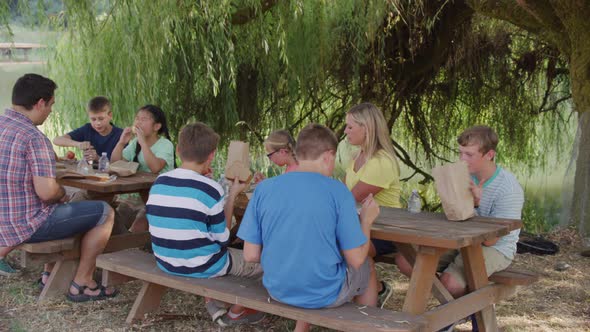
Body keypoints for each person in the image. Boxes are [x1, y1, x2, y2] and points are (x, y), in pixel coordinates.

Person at [238, 123, 380, 332]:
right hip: (325, 293)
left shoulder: (264, 189)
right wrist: (366, 221)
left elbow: (250, 255)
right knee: (367, 263)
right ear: (328, 156)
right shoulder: (338, 191)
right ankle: (365, 327)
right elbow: (356, 259)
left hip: (277, 289)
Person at [0, 73, 117, 301]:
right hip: (26, 224)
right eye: (51, 105)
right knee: (104, 211)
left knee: (79, 208)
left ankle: (49, 273)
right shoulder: (34, 138)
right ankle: (83, 283)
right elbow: (47, 192)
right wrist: (61, 193)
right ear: (40, 103)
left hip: (3, 219)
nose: (51, 111)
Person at [395, 125, 524, 330]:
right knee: (406, 260)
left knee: (451, 283)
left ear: (489, 155)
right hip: (462, 242)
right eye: (461, 153)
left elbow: (491, 240)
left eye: (469, 154)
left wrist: (475, 206)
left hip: (497, 248)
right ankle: (463, 309)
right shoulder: (462, 177)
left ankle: (446, 319)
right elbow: (454, 222)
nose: (462, 159)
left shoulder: (508, 188)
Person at [145, 122, 264, 326]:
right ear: (211, 155)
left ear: (178, 150)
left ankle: (216, 301)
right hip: (203, 265)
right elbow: (224, 238)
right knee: (263, 263)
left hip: (165, 260)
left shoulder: (160, 181)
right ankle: (235, 312)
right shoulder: (210, 189)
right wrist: (232, 195)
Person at [343, 102, 401, 307]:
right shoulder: (357, 156)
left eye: (350, 126)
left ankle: (368, 302)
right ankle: (374, 291)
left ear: (366, 128)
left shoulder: (381, 161)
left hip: (386, 231)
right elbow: (343, 193)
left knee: (355, 251)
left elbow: (349, 198)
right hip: (362, 225)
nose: (345, 131)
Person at [110, 105, 175, 232]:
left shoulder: (165, 144)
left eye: (144, 119)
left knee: (139, 225)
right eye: (137, 118)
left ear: (156, 127)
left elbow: (155, 167)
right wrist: (121, 142)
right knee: (112, 220)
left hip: (157, 197)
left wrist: (143, 142)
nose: (138, 122)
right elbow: (115, 162)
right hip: (133, 196)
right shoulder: (135, 143)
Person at [53, 96, 123, 161]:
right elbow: (57, 140)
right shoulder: (87, 129)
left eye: (101, 118)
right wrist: (78, 144)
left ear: (110, 115)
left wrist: (98, 158)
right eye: (93, 119)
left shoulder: (120, 135)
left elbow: (120, 165)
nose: (97, 123)